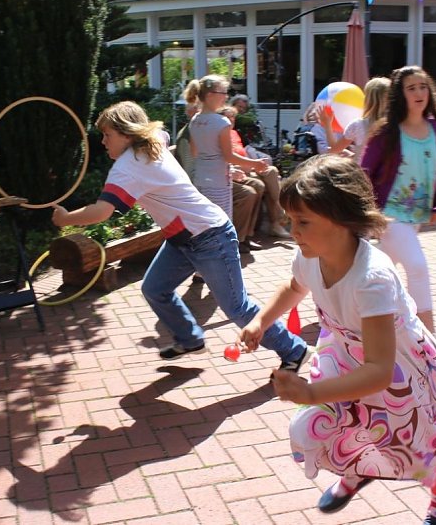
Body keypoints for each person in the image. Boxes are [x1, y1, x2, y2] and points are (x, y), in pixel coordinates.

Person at [239, 155, 436, 525]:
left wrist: (312, 393)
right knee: (336, 427)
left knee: (409, 445)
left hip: (393, 371)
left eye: (302, 221)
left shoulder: (372, 278)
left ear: (343, 219)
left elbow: (380, 371)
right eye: (291, 219)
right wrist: (261, 321)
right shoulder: (310, 256)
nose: (292, 229)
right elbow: (293, 286)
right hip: (343, 355)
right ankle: (361, 468)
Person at [51, 101, 309, 371]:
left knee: (237, 307)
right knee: (154, 288)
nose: (103, 141)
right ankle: (190, 339)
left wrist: (65, 219)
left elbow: (101, 212)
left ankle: (294, 350)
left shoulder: (129, 166)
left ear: (128, 134)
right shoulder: (153, 142)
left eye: (108, 134)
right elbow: (162, 134)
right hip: (183, 239)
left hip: (211, 237)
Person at [361, 66, 436, 333]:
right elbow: (364, 172)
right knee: (417, 268)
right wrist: (367, 211)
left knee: (379, 271)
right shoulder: (387, 131)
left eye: (423, 86)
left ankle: (357, 314)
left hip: (417, 215)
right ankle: (428, 338)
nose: (419, 92)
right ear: (401, 94)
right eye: (411, 88)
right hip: (390, 214)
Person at [184, 75, 268, 221]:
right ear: (210, 95)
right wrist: (256, 164)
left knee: (205, 222)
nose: (226, 96)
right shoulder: (221, 122)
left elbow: (194, 152)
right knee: (221, 223)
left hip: (200, 180)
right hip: (218, 183)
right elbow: (229, 156)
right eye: (222, 93)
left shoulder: (195, 120)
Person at [221, 105, 292, 242]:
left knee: (272, 171)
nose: (231, 120)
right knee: (262, 183)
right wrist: (253, 165)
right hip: (236, 170)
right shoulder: (221, 135)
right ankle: (280, 215)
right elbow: (227, 158)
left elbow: (245, 153)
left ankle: (277, 220)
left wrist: (256, 162)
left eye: (233, 117)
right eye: (227, 117)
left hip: (247, 167)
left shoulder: (235, 133)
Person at [319, 76, 390, 159]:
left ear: (367, 98)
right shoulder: (400, 124)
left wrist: (328, 125)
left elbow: (335, 150)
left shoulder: (357, 125)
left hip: (364, 171)